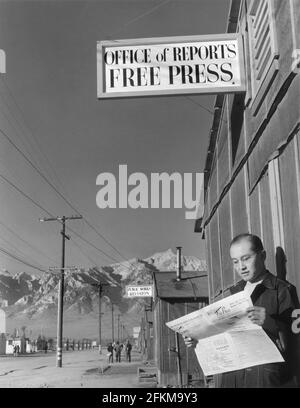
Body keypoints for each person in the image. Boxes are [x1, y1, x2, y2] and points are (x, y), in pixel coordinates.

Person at [184, 233, 300, 388]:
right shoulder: (231, 294)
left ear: (262, 256)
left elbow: (296, 339)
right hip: (232, 379)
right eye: (235, 261)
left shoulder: (284, 290)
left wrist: (271, 323)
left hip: (265, 380)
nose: (241, 267)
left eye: (246, 258)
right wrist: (197, 338)